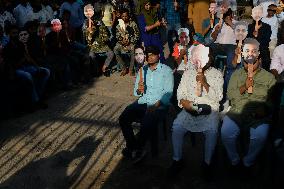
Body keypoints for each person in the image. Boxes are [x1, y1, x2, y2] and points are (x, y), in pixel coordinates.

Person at [221, 38, 276, 173]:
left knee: (260, 136)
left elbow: (272, 100)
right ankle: (234, 160)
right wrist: (244, 87)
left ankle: (248, 162)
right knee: (226, 132)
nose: (249, 63)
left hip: (258, 115)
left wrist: (265, 109)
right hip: (237, 112)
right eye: (246, 61)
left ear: (259, 59)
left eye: (253, 60)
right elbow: (230, 95)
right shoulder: (236, 74)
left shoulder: (269, 78)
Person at [169, 44, 223, 177]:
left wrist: (205, 83)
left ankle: (207, 162)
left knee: (212, 130)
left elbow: (218, 98)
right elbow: (180, 93)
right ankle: (177, 159)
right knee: (177, 126)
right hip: (190, 107)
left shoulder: (217, 74)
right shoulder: (188, 72)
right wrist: (185, 103)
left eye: (207, 56)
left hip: (209, 108)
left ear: (211, 58)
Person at [119, 45, 174, 162]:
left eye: (153, 54)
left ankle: (138, 148)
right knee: (123, 117)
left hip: (159, 105)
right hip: (143, 101)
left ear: (158, 55)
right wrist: (139, 89)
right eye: (148, 55)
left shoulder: (166, 71)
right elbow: (136, 93)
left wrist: (155, 106)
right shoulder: (142, 70)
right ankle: (134, 146)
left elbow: (168, 94)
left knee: (147, 120)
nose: (150, 57)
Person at [113, 8, 140, 76]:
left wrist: (130, 41)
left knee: (133, 49)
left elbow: (137, 35)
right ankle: (124, 68)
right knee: (115, 49)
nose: (124, 18)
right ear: (121, 17)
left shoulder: (133, 24)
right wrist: (122, 41)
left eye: (126, 16)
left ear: (128, 16)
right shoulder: (119, 25)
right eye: (123, 16)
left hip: (131, 43)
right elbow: (117, 35)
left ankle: (131, 69)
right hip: (122, 43)